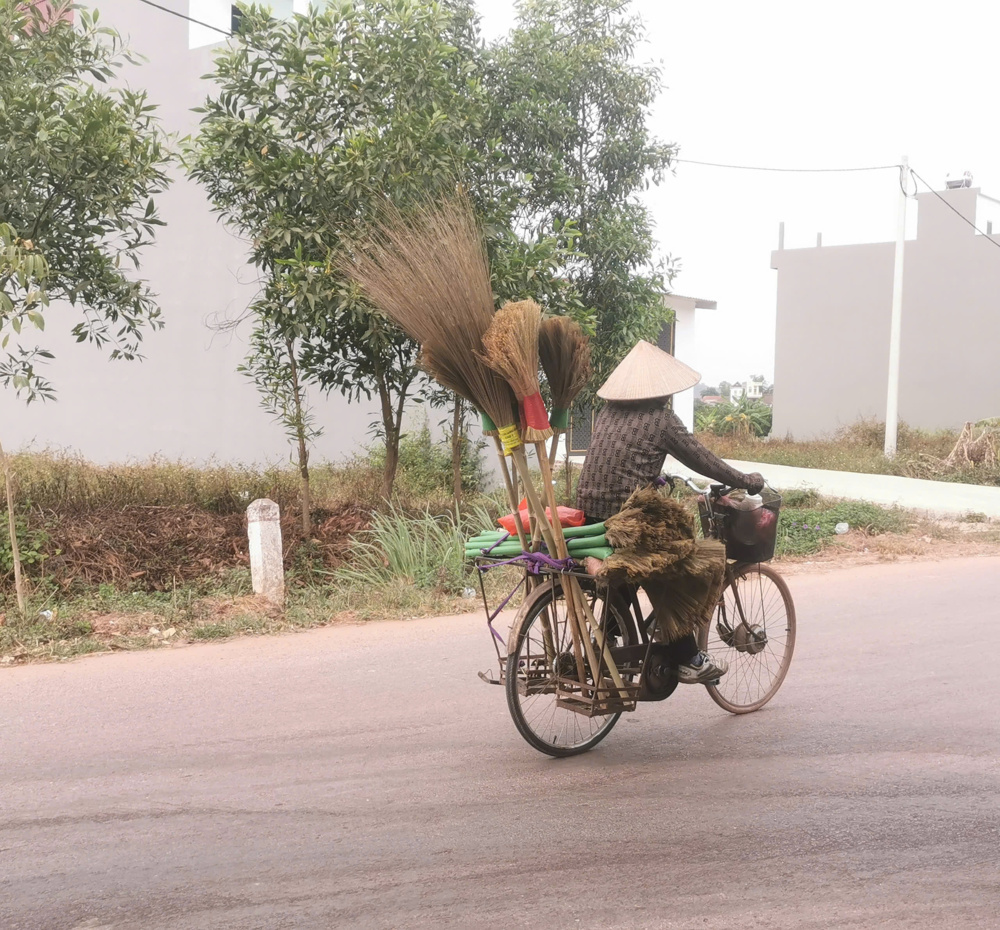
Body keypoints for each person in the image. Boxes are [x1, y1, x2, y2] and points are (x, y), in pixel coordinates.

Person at [576, 340, 765, 684]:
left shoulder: (608, 412)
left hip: (588, 515)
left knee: (630, 569)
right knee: (673, 567)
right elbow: (702, 459)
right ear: (663, 389)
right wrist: (745, 479)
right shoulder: (660, 419)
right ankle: (688, 657)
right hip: (625, 519)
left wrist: (654, 476)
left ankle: (610, 632)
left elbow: (622, 458)